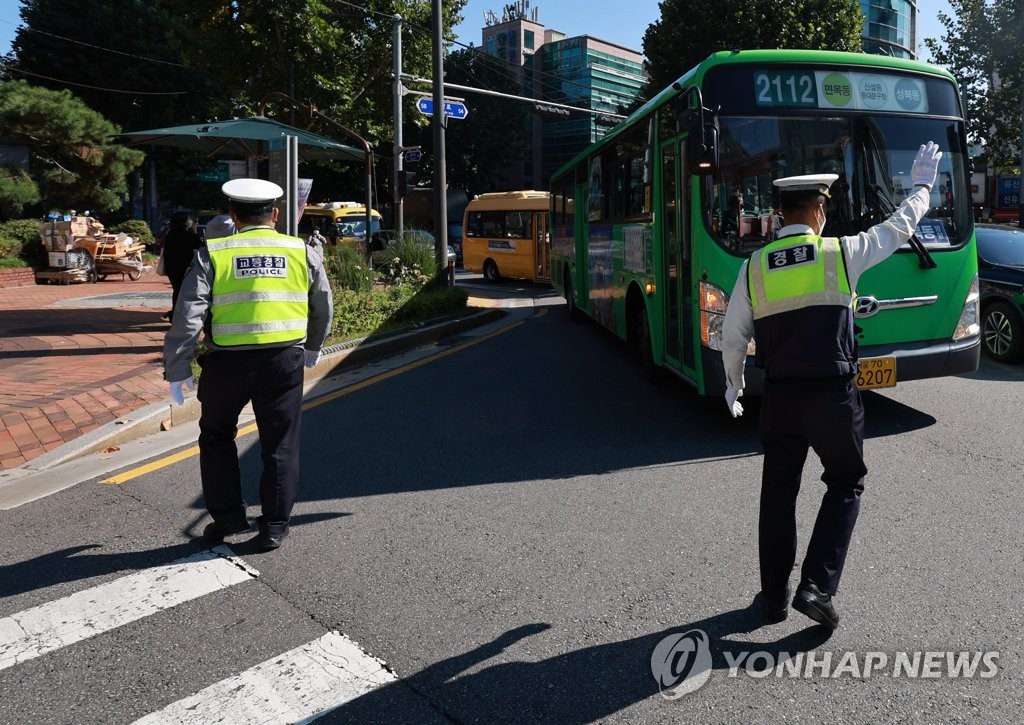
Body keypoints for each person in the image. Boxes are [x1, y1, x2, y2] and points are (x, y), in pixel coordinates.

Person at [720, 142, 943, 629]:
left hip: (778, 396)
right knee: (845, 481)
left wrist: (733, 386)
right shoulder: (841, 253)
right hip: (833, 396)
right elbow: (899, 228)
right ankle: (816, 586)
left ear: (779, 215)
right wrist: (923, 186)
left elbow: (732, 337)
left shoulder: (753, 266)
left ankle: (773, 599)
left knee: (778, 492)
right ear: (819, 210)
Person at [163, 178, 334, 551]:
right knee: (280, 444)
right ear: (274, 214)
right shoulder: (300, 250)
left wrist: (178, 370)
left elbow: (188, 315)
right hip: (284, 362)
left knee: (216, 437)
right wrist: (314, 347)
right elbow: (322, 303)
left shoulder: (215, 252)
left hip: (227, 365)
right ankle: (274, 526)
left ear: (233, 215)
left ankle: (228, 518)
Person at [161, 211, 203, 322]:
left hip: (172, 268)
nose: (190, 221)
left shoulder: (170, 232)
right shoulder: (185, 234)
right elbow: (198, 244)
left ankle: (175, 313)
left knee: (177, 290)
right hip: (183, 268)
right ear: (184, 221)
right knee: (182, 291)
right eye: (189, 219)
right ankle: (177, 314)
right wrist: (194, 231)